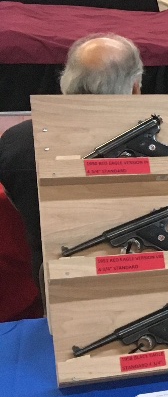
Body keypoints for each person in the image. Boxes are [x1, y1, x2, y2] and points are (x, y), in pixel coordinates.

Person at [0, 34, 144, 311]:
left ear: (66, 82)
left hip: (53, 294)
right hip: (143, 285)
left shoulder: (16, 141)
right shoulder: (162, 146)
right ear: (135, 88)